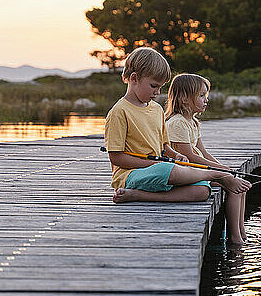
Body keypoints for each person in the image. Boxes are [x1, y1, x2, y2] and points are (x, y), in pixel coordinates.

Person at [105, 47, 251, 204]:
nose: (157, 92)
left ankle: (137, 195)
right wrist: (155, 163)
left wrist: (175, 155)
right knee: (166, 170)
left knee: (202, 191)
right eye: (153, 86)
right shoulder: (119, 112)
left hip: (160, 171)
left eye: (160, 87)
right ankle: (216, 174)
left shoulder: (156, 109)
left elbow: (163, 146)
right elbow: (116, 158)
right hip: (131, 175)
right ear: (134, 78)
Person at [165, 73, 248, 245]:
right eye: (201, 95)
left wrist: (224, 168)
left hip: (198, 171)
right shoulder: (177, 123)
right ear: (184, 98)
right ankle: (235, 238)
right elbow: (190, 157)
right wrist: (221, 173)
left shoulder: (193, 122)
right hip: (186, 173)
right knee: (233, 187)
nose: (206, 100)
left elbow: (203, 152)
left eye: (206, 96)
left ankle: (241, 232)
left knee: (238, 184)